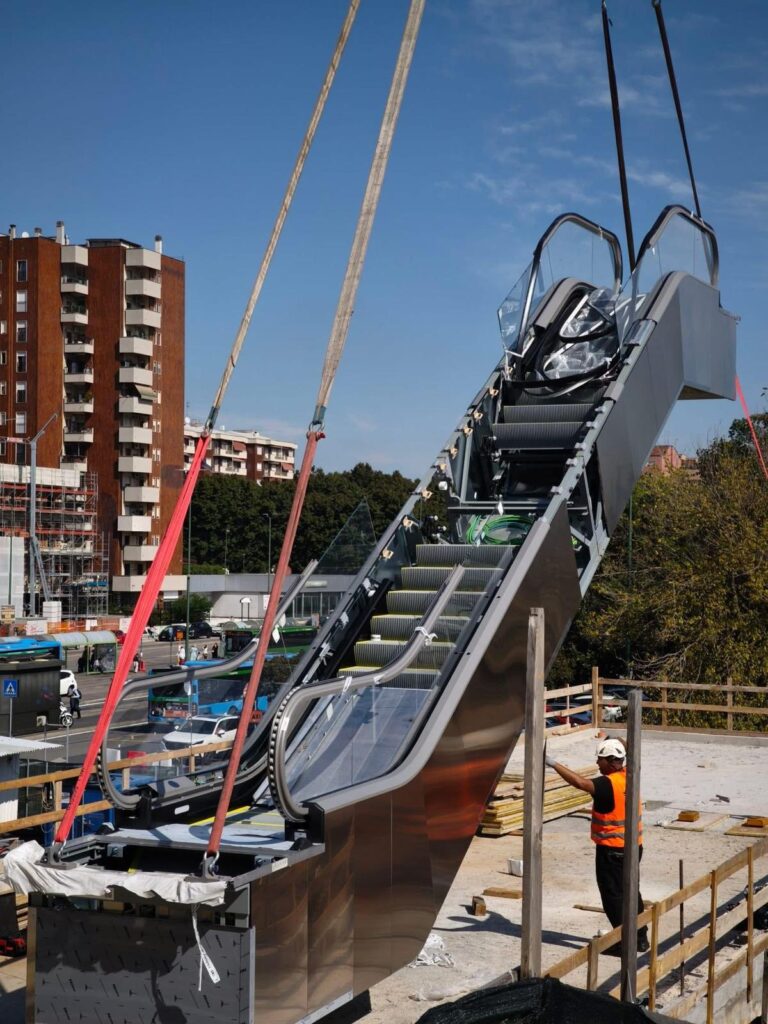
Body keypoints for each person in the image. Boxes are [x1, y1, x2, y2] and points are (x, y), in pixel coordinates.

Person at [546, 737, 649, 954]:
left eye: (600, 759)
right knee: (631, 891)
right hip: (634, 847)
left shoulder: (606, 784)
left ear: (611, 761)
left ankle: (624, 942)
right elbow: (628, 751)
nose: (597, 763)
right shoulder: (630, 775)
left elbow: (580, 783)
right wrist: (616, 741)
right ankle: (640, 938)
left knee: (613, 897)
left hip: (612, 851)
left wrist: (552, 763)